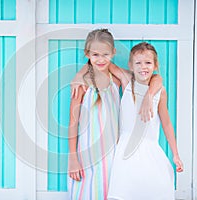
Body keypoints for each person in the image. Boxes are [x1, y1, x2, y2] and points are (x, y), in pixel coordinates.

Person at [107, 42, 183, 200]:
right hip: (126, 150)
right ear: (130, 65)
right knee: (126, 191)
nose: (143, 67)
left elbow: (166, 123)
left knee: (156, 188)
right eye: (138, 63)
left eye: (148, 62)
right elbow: (102, 63)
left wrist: (175, 154)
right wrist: (79, 76)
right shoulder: (127, 81)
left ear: (155, 65)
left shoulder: (160, 92)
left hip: (150, 149)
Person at [68, 28, 121, 200]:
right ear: (87, 54)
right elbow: (73, 123)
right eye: (95, 54)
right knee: (88, 192)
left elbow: (148, 79)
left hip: (112, 151)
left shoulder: (117, 81)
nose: (100, 59)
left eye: (105, 54)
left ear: (113, 53)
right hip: (87, 152)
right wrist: (73, 158)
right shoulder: (82, 84)